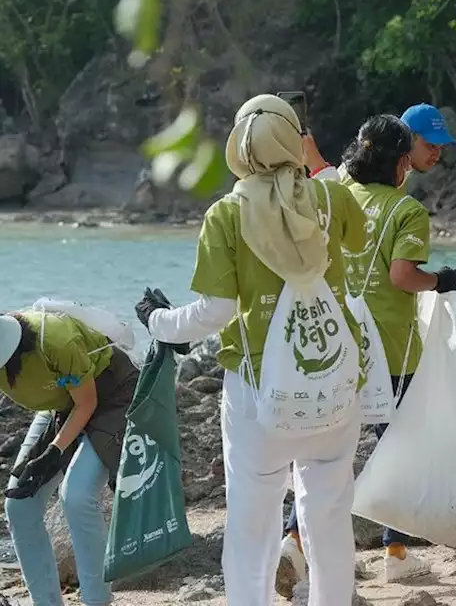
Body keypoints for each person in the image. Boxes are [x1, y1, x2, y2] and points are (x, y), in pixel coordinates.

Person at [139, 94, 369, 606]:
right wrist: (315, 169)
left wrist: (157, 321)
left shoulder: (226, 214)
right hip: (334, 385)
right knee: (329, 518)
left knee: (251, 528)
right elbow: (358, 235)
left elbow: (215, 312)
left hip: (257, 399)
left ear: (237, 148)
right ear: (294, 139)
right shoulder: (331, 200)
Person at [276, 116, 456, 593]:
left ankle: (293, 542)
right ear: (402, 161)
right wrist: (441, 281)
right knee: (396, 450)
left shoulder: (337, 195)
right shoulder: (407, 211)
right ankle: (395, 554)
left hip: (336, 347)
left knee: (320, 455)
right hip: (393, 351)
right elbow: (403, 276)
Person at [0, 311, 137, 606]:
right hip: (62, 404)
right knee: (19, 505)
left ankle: (96, 601)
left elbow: (87, 402)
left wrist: (55, 450)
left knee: (76, 495)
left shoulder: (56, 341)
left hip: (110, 393)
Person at [305, 103, 456, 179]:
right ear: (409, 137)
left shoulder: (399, 173)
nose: (437, 155)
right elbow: (336, 203)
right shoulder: (366, 164)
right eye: (431, 146)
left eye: (440, 147)